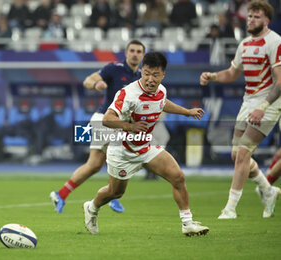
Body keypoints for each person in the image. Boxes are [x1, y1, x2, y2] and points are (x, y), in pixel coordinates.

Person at [83, 52, 209, 236]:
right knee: (115, 192)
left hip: (145, 147)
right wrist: (130, 126)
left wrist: (187, 112)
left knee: (178, 177)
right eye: (147, 73)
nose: (150, 79)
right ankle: (92, 208)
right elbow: (107, 119)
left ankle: (187, 224)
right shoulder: (127, 93)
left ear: (163, 75)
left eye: (155, 75)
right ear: (142, 71)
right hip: (122, 151)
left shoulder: (161, 90)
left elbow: (162, 103)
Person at [200, 0, 281, 219]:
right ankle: (268, 189)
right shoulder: (244, 43)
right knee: (237, 154)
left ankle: (230, 208)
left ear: (266, 20)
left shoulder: (275, 42)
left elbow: (280, 81)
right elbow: (232, 73)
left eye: (256, 16)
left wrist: (264, 107)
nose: (251, 19)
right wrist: (213, 76)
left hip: (269, 104)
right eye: (250, 16)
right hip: (248, 103)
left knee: (244, 153)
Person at [50, 40, 146, 213]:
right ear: (126, 53)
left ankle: (61, 193)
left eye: (139, 51)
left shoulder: (141, 77)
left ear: (143, 55)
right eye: (132, 50)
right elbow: (89, 80)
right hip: (104, 119)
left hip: (121, 124)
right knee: (123, 154)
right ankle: (113, 195)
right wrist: (96, 84)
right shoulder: (114, 68)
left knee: (94, 165)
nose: (135, 54)